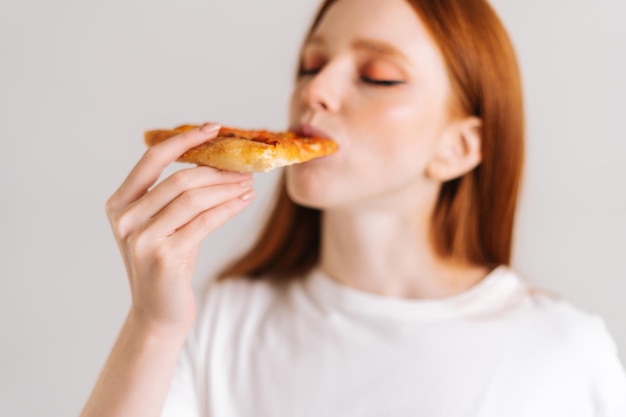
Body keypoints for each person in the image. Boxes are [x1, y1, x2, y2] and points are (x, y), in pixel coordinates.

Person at [80, 0, 626, 416]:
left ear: (458, 147)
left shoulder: (562, 352)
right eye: (311, 64)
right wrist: (151, 326)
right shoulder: (222, 322)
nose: (316, 90)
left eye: (377, 77)